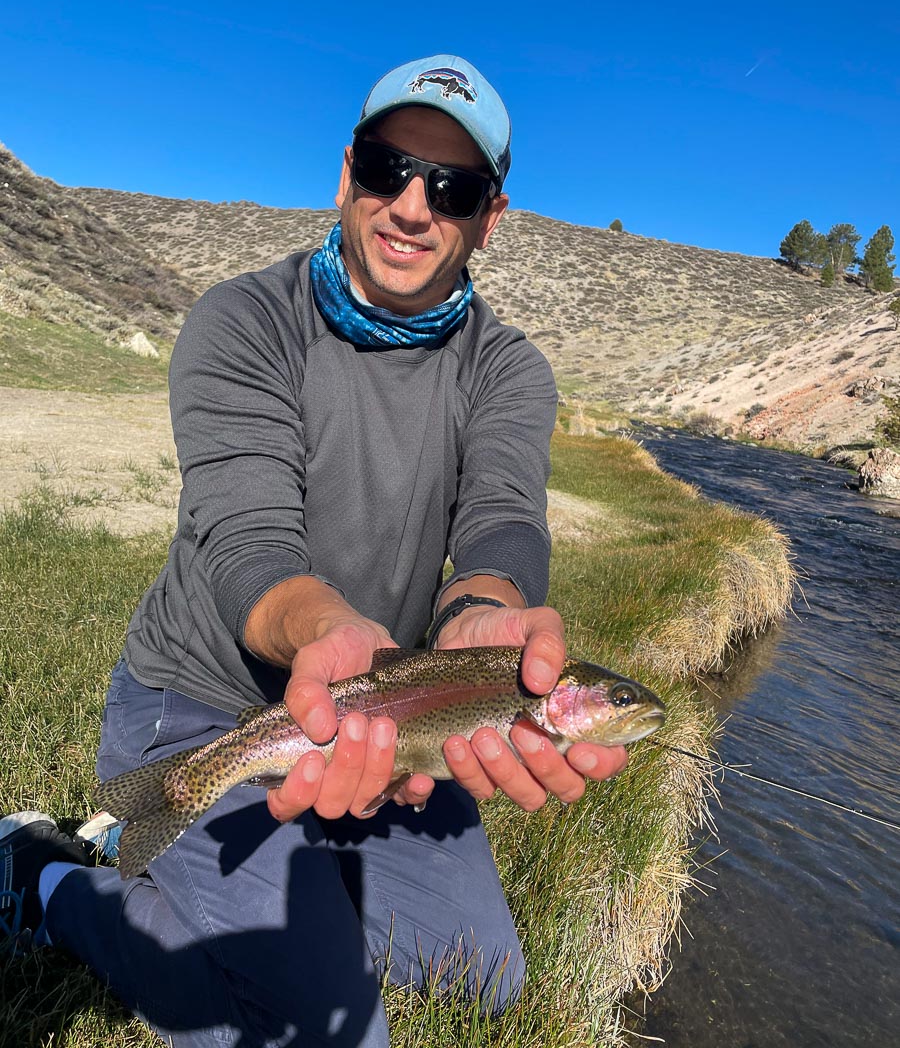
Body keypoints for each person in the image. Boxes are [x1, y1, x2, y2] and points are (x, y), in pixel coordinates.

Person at [0, 55, 628, 1046]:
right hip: (203, 717)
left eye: (452, 187)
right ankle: (50, 881)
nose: (412, 207)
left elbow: (500, 522)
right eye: (389, 168)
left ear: (488, 219)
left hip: (388, 722)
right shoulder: (244, 320)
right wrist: (329, 634)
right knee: (325, 1033)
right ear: (347, 173)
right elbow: (249, 538)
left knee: (483, 981)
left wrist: (481, 618)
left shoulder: (509, 369)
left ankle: (227, 870)